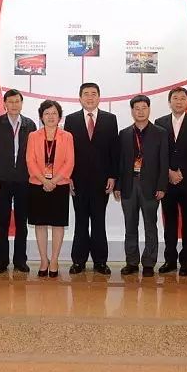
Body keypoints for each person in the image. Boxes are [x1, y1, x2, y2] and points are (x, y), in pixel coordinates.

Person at [64, 82, 118, 275]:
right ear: (80, 98)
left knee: (98, 221)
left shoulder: (110, 119)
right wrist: (68, 176)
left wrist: (113, 176)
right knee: (80, 221)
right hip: (77, 181)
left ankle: (100, 261)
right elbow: (67, 151)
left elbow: (114, 150)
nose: (89, 97)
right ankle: (78, 261)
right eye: (86, 94)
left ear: (99, 97)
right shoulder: (71, 120)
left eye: (93, 93)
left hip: (101, 181)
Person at [114, 95, 168, 277]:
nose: (140, 111)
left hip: (151, 187)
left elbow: (164, 161)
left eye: (144, 108)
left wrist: (162, 186)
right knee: (130, 226)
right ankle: (131, 262)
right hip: (128, 185)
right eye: (137, 108)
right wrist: (118, 186)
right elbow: (120, 162)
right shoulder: (124, 134)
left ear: (149, 109)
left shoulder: (160, 133)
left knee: (150, 226)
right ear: (132, 111)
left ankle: (149, 263)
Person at [154, 87, 187, 276]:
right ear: (169, 102)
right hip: (167, 182)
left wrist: (180, 172)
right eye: (175, 98)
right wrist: (169, 172)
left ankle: (186, 262)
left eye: (182, 98)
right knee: (170, 222)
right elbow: (158, 152)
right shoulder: (160, 123)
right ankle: (170, 260)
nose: (178, 101)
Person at [0, 89, 36, 273]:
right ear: (4, 104)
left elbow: (34, 154)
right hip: (3, 180)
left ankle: (20, 260)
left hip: (24, 180)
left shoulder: (29, 124)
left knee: (22, 223)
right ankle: (1, 261)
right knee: (2, 222)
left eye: (17, 101)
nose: (14, 105)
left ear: (22, 104)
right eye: (11, 102)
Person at [26, 100, 74, 277]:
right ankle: (43, 260)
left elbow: (69, 162)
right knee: (40, 224)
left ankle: (54, 260)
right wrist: (43, 180)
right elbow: (30, 160)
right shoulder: (33, 136)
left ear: (59, 117)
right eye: (47, 113)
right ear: (41, 117)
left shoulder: (67, 136)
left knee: (57, 224)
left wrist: (53, 181)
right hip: (37, 185)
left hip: (59, 185)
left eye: (54, 113)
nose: (50, 116)